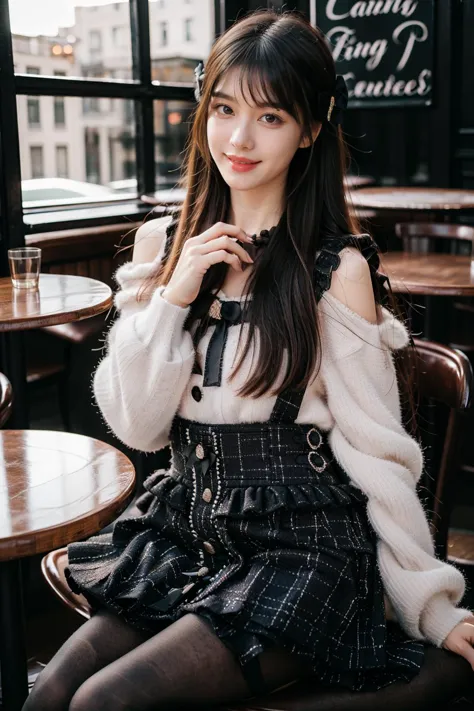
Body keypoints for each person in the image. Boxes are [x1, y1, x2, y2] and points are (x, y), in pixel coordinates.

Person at [24, 8, 474, 711]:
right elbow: (139, 426)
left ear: (309, 131)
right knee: (51, 691)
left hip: (303, 550)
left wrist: (432, 604)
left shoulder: (335, 269)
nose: (238, 137)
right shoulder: (161, 245)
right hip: (188, 528)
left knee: (101, 703)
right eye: (225, 108)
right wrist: (173, 295)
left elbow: (381, 453)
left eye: (270, 117)